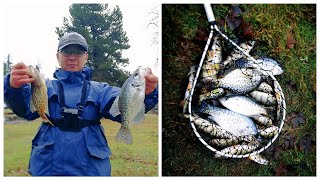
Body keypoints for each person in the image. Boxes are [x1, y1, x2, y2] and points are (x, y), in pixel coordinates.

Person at [3, 32, 159, 176]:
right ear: (57, 56)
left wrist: (147, 93)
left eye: (77, 52)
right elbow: (24, 109)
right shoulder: (43, 86)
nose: (72, 57)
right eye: (67, 52)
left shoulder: (101, 90)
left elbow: (121, 106)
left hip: (91, 169)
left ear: (86, 57)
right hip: (47, 167)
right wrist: (14, 87)